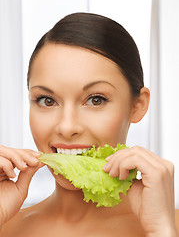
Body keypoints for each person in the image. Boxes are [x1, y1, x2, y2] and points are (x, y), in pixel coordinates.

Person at [0, 12, 178, 237]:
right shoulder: (6, 226)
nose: (66, 127)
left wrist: (161, 230)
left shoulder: (170, 227)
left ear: (138, 105)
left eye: (96, 100)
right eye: (47, 101)